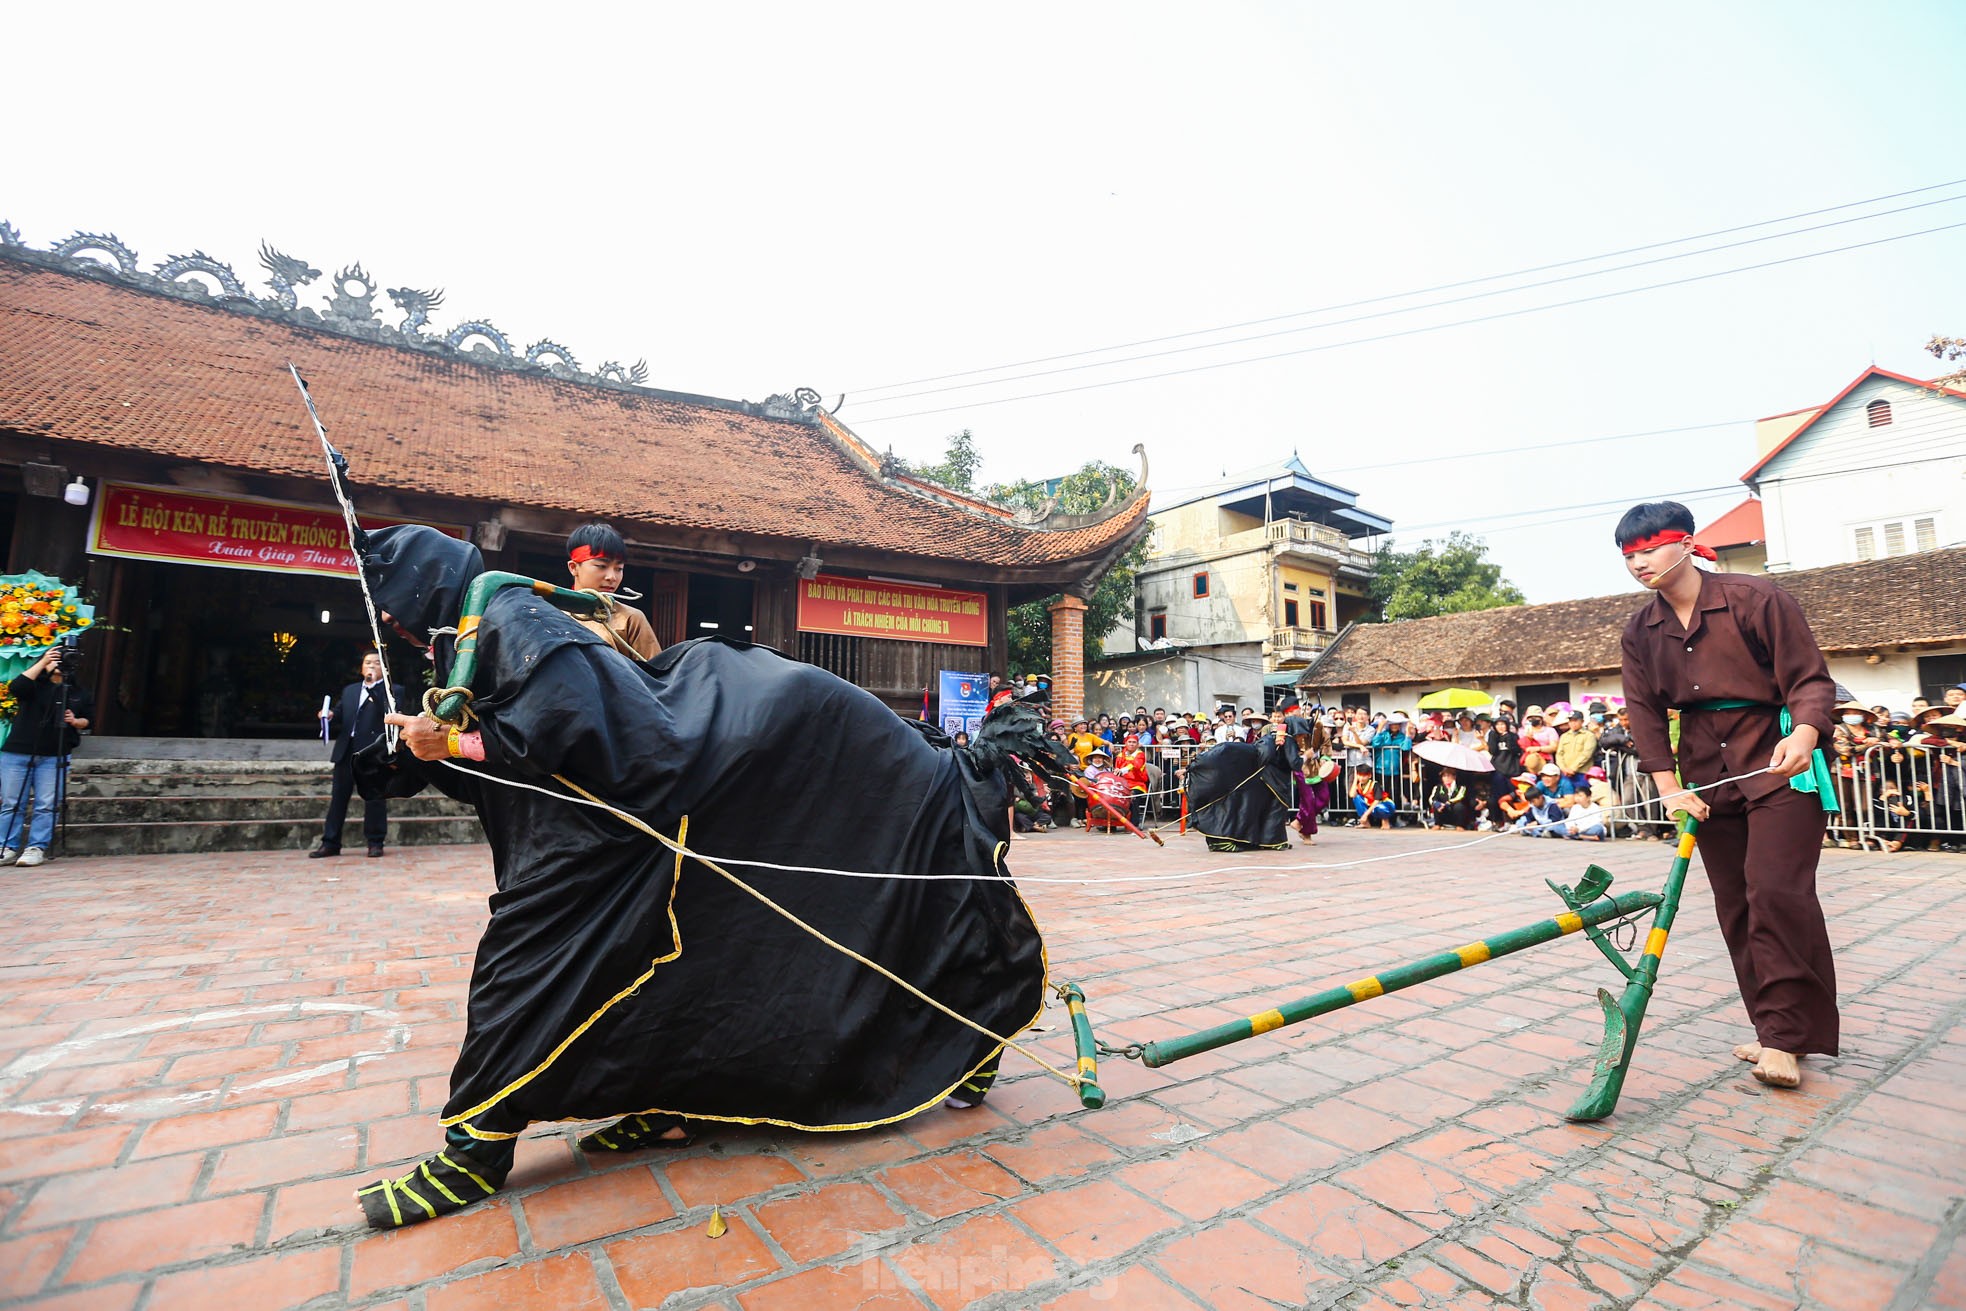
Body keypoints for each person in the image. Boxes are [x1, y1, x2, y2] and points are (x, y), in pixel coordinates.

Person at [1617, 500, 1838, 1092]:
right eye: (1628, 556)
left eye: (1649, 550)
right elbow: (1642, 710)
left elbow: (1810, 679)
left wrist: (1809, 733)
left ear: (1686, 544)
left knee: (1776, 893)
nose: (1639, 564)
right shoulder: (1641, 630)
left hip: (1781, 763)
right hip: (1705, 775)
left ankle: (1786, 1039)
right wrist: (1667, 787)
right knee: (1736, 903)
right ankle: (1776, 1028)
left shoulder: (1756, 599)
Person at [0, 642, 94, 867]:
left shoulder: (78, 692)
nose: (60, 662)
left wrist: (74, 721)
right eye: (56, 658)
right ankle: (7, 846)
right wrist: (43, 661)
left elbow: (87, 721)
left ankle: (36, 847)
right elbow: (17, 687)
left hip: (55, 754)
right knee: (11, 802)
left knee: (46, 803)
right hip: (19, 751)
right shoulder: (35, 686)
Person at [311, 651, 406, 859]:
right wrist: (329, 715)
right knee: (338, 799)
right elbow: (341, 714)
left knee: (374, 797)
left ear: (385, 668)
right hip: (346, 751)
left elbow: (391, 713)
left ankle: (375, 842)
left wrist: (374, 687)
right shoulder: (351, 691)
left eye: (376, 663)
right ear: (361, 667)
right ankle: (330, 842)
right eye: (367, 662)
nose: (371, 666)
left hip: (372, 752)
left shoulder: (393, 691)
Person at [565, 523, 660, 661]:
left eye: (619, 568)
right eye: (601, 566)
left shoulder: (630, 618)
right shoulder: (551, 612)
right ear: (574, 568)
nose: (612, 577)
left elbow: (653, 674)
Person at [1349, 764, 1395, 830]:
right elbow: (1352, 795)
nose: (1361, 778)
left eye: (1364, 776)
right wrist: (1355, 779)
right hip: (1372, 806)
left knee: (1379, 807)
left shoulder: (1375, 785)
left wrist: (1365, 815)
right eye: (1360, 775)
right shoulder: (1359, 785)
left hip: (1385, 805)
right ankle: (1366, 823)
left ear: (1369, 776)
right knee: (1356, 798)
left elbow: (1377, 800)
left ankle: (1385, 821)